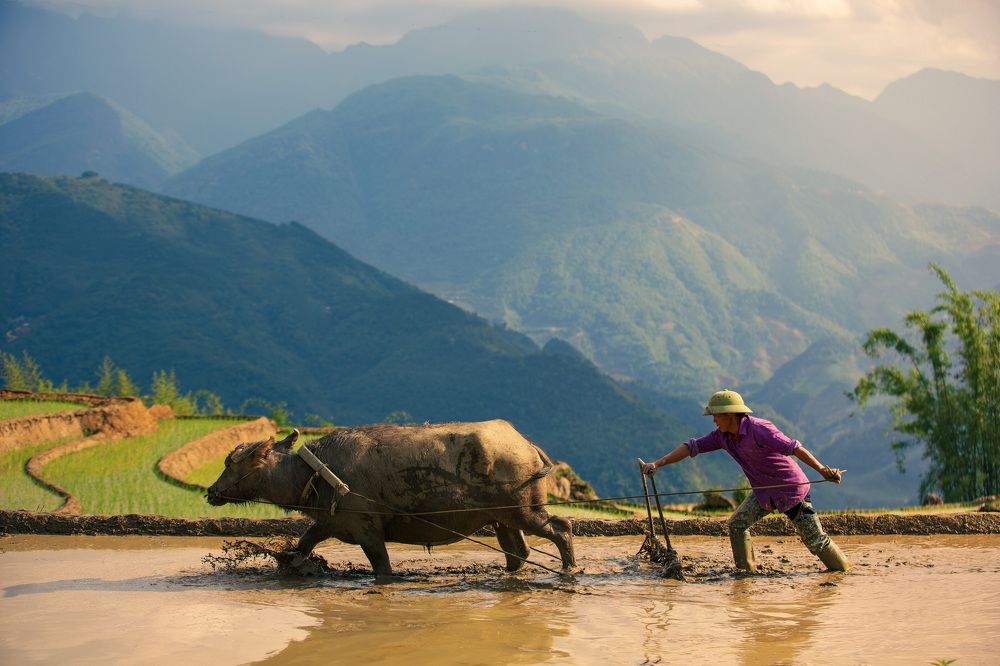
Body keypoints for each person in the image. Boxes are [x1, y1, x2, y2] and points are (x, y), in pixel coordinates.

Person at [642, 389, 850, 573]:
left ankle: (843, 573)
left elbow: (795, 448)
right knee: (737, 524)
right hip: (763, 492)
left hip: (791, 490)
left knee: (816, 541)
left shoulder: (760, 429)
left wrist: (822, 469)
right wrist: (658, 464)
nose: (713, 420)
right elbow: (691, 447)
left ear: (729, 414)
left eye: (715, 416)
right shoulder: (722, 436)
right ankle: (746, 574)